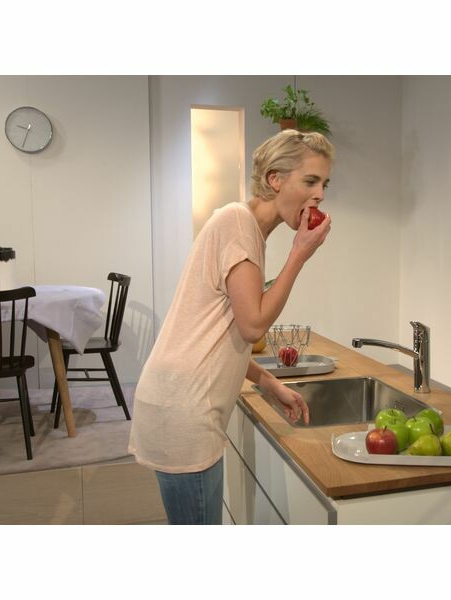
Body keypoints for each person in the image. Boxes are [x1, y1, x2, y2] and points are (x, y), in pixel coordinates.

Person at [128, 129, 334, 524]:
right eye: (310, 181)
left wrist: (269, 383)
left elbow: (222, 335)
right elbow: (253, 326)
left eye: (324, 184)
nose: (320, 194)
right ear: (275, 179)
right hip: (184, 406)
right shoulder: (238, 223)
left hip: (183, 400)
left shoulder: (246, 228)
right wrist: (299, 256)